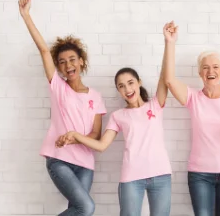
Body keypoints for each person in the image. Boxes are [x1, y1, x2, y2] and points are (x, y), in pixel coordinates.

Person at [19, 0, 107, 215]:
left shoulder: (95, 96)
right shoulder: (58, 87)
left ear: (81, 62)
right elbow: (43, 51)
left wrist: (76, 135)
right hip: (60, 160)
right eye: (62, 61)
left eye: (72, 59)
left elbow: (96, 134)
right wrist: (26, 16)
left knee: (78, 210)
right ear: (58, 67)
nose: (68, 65)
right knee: (87, 207)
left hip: (85, 163)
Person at [158, 21, 220, 216]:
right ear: (200, 73)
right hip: (200, 174)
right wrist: (170, 42)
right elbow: (169, 80)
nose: (211, 71)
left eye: (216, 67)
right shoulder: (193, 97)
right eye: (206, 68)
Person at [59, 68, 172, 216]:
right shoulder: (118, 116)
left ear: (139, 83)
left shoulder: (155, 105)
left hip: (161, 174)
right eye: (121, 86)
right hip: (132, 178)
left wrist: (169, 44)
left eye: (130, 83)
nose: (127, 89)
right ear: (118, 90)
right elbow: (101, 145)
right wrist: (76, 135)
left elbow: (165, 75)